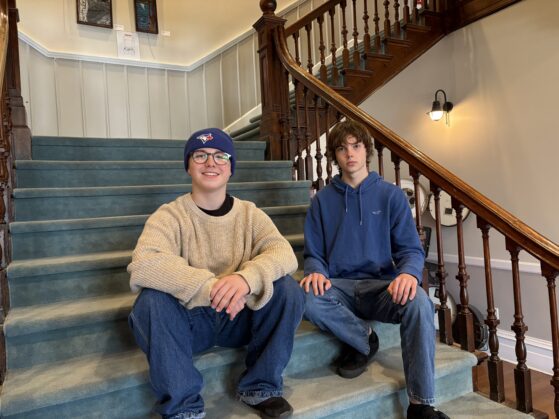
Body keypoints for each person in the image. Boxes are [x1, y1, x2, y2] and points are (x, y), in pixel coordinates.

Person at [128, 128, 304, 419]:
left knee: (288, 289)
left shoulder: (250, 214)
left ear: (231, 167)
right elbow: (144, 263)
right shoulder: (169, 215)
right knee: (151, 301)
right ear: (188, 165)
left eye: (220, 156)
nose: (211, 163)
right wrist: (212, 288)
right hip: (189, 324)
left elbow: (283, 253)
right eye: (201, 155)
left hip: (240, 319)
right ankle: (183, 407)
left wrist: (245, 280)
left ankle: (260, 387)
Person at [301, 120, 450, 419]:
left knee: (420, 302)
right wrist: (315, 270)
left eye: (356, 146)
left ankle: (421, 405)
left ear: (366, 150)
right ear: (335, 155)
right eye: (342, 148)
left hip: (381, 286)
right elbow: (313, 253)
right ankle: (365, 337)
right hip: (338, 287)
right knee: (303, 296)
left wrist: (408, 273)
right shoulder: (322, 201)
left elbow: (410, 249)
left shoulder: (391, 196)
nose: (349, 154)